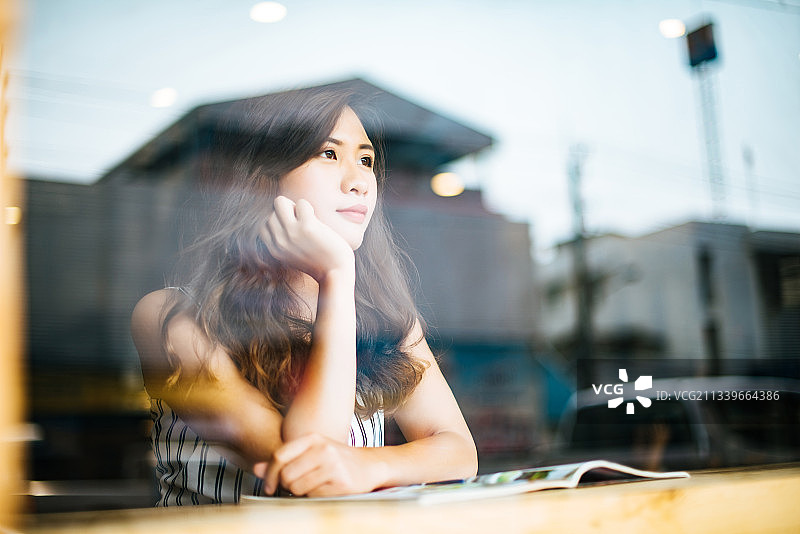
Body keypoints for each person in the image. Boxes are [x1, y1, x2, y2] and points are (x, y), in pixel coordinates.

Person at [130, 88, 478, 506]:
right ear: (265, 179)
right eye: (329, 154)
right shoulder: (170, 317)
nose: (358, 182)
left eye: (365, 161)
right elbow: (304, 473)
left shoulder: (388, 321)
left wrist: (369, 467)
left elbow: (459, 450)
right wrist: (336, 273)